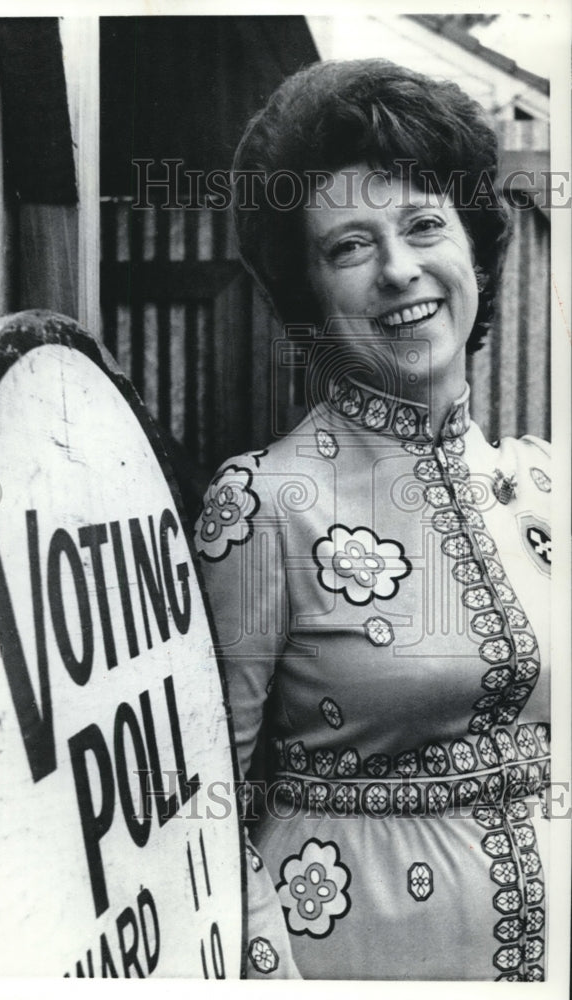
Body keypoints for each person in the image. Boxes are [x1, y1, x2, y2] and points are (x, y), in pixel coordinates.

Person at [194, 59, 551, 981]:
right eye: (350, 247)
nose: (399, 270)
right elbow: (199, 816)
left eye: (425, 225)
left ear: (475, 249)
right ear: (309, 295)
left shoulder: (544, 489)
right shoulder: (265, 504)